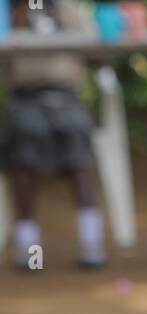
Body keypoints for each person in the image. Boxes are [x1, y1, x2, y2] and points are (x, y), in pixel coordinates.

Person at [0, 0, 106, 269]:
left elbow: (96, 49)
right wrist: (20, 17)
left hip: (65, 97)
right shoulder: (9, 12)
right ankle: (28, 247)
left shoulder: (67, 8)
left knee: (77, 150)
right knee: (23, 152)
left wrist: (61, 17)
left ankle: (91, 242)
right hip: (24, 99)